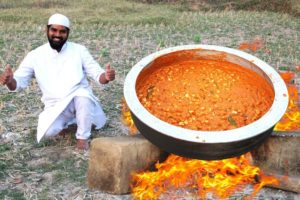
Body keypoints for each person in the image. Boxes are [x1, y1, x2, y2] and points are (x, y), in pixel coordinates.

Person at [0, 13, 115, 150]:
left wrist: (106, 77)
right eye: (54, 30)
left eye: (62, 31)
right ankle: (74, 122)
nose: (57, 34)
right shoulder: (35, 55)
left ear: (68, 33)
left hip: (78, 98)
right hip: (55, 106)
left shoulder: (79, 50)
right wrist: (9, 80)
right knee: (48, 133)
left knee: (83, 97)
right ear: (47, 30)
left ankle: (82, 139)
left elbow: (98, 75)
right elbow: (17, 83)